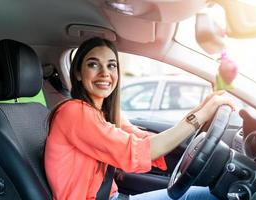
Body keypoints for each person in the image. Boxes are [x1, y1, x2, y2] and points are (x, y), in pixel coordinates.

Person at [44, 37, 234, 200]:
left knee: (202, 194)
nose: (105, 73)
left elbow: (144, 140)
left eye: (111, 65)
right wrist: (202, 116)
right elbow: (139, 151)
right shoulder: (74, 113)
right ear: (78, 73)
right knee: (208, 196)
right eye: (93, 64)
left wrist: (203, 107)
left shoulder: (100, 115)